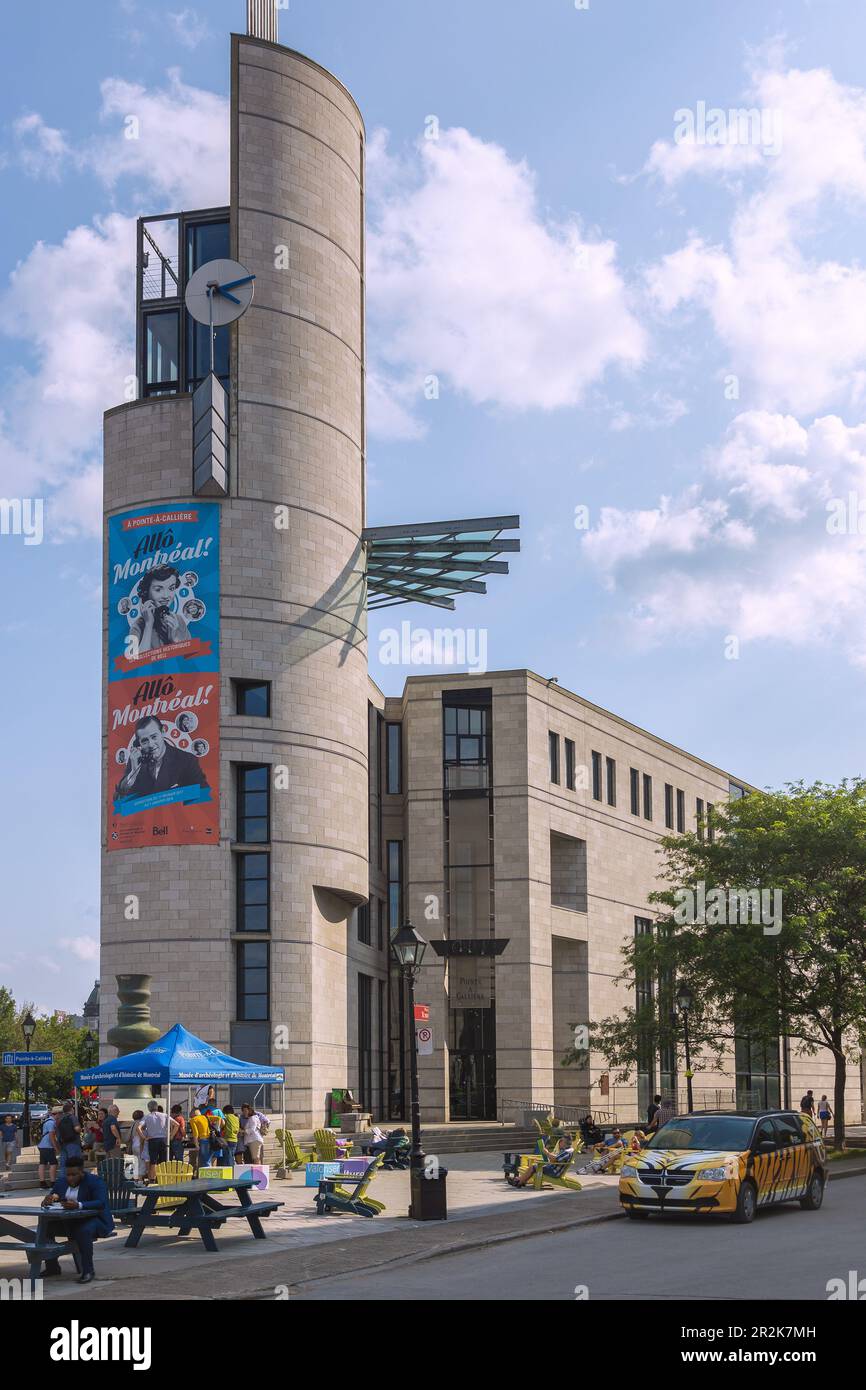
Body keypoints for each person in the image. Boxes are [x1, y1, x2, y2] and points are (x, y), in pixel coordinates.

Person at [40, 1155, 114, 1285]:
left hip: (95, 1220)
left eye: (74, 1174)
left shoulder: (95, 1182)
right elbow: (52, 1197)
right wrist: (48, 1200)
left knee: (83, 1231)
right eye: (68, 1174)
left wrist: (79, 1205)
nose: (70, 1178)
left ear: (82, 1172)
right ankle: (52, 1266)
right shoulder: (61, 1182)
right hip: (69, 1221)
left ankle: (88, 1270)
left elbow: (101, 1202)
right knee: (45, 1228)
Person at [114, 715, 209, 802]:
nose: (151, 744)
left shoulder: (187, 760)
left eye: (154, 737)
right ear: (139, 744)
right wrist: (133, 772)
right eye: (144, 741)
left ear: (163, 732)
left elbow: (203, 794)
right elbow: (119, 798)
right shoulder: (135, 761)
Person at [128, 565, 190, 654]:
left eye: (171, 588)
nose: (166, 596)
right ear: (146, 592)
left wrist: (175, 639)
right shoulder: (138, 626)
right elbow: (137, 663)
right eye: (158, 590)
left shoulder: (179, 620)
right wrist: (148, 625)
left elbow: (189, 659)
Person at [136, 1100, 178, 1181]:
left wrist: (144, 1138)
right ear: (157, 1107)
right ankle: (163, 1179)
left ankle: (152, 1179)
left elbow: (138, 1128)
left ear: (149, 1108)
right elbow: (177, 1125)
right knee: (164, 1161)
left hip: (152, 1140)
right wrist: (171, 1136)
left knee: (153, 1161)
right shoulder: (165, 1115)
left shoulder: (147, 1117)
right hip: (163, 1139)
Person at [56, 1100, 83, 1181]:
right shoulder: (72, 1117)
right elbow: (77, 1128)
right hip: (73, 1143)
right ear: (71, 1109)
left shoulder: (59, 1119)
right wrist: (80, 1129)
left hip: (63, 1144)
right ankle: (75, 1180)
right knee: (74, 1163)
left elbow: (57, 1132)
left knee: (63, 1165)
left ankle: (62, 1181)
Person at [37, 1110, 59, 1188]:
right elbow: (51, 1136)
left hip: (42, 1145)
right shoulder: (51, 1123)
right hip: (48, 1146)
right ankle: (53, 1182)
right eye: (59, 1114)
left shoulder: (47, 1121)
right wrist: (56, 1148)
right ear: (56, 1114)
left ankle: (42, 1182)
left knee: (42, 1163)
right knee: (54, 1163)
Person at [188, 1105, 210, 1173]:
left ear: (193, 1114)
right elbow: (218, 1119)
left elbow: (195, 1133)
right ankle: (207, 1174)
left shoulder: (193, 1120)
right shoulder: (204, 1117)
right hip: (209, 1139)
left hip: (202, 1140)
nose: (190, 1117)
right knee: (207, 1159)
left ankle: (202, 1176)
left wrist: (196, 1145)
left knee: (202, 1160)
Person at [127, 1109, 146, 1179]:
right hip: (139, 1145)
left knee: (136, 1163)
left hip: (133, 1145)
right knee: (142, 1163)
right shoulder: (141, 1123)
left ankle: (136, 1179)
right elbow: (142, 1136)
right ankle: (140, 1179)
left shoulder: (133, 1124)